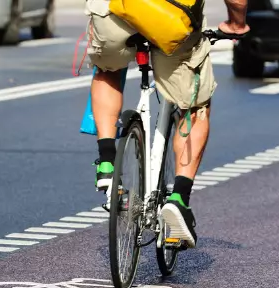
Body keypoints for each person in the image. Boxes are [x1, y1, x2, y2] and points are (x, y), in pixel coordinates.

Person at [86, 0, 249, 248]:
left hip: (113, 11)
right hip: (172, 16)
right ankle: (179, 198)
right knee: (195, 106)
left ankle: (107, 162)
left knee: (107, 69)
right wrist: (236, 24)